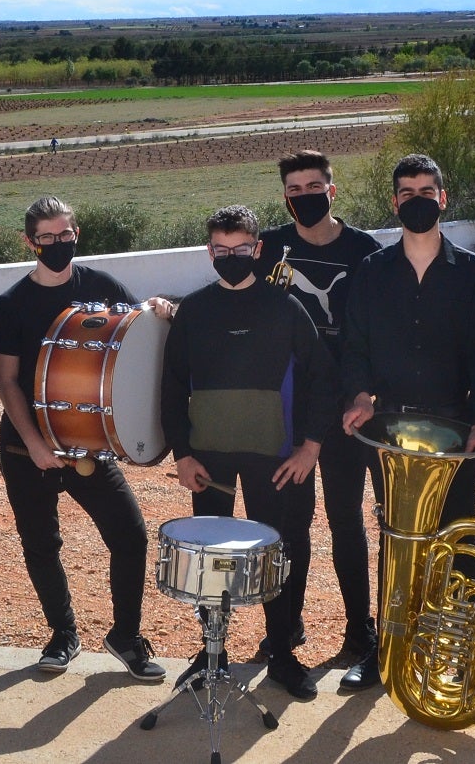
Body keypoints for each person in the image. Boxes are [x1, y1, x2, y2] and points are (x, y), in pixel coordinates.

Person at [0, 195, 173, 682]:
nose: (57, 244)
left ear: (76, 234)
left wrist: (158, 310)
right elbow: (6, 381)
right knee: (41, 544)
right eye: (46, 238)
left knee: (130, 536)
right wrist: (33, 443)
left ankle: (126, 637)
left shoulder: (101, 285)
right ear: (30, 241)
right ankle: (62, 633)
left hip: (90, 444)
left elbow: (138, 336)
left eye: (64, 235)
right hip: (27, 446)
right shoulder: (12, 304)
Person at [337, 152, 475, 693]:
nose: (417, 201)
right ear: (394, 202)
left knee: (456, 538)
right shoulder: (371, 271)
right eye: (406, 193)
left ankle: (459, 652)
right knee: (397, 538)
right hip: (391, 430)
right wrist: (360, 394)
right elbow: (355, 345)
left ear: (443, 198)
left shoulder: (473, 273)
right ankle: (388, 647)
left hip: (454, 429)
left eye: (426, 191)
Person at [164, 204, 339, 700]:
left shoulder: (284, 308)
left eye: (240, 249)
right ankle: (211, 652)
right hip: (209, 460)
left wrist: (310, 446)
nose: (231, 257)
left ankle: (281, 652)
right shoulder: (194, 310)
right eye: (220, 250)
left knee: (274, 555)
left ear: (257, 249)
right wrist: (182, 454)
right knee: (211, 558)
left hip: (274, 457)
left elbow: (323, 379)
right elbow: (172, 385)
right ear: (209, 251)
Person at [251, 148, 381, 666]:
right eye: (295, 191)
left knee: (346, 520)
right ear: (286, 198)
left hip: (345, 405)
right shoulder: (270, 249)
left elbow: (374, 332)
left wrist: (365, 393)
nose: (305, 197)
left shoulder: (365, 252)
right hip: (288, 406)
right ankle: (288, 626)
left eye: (314, 187)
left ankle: (359, 630)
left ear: (333, 189)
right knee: (291, 522)